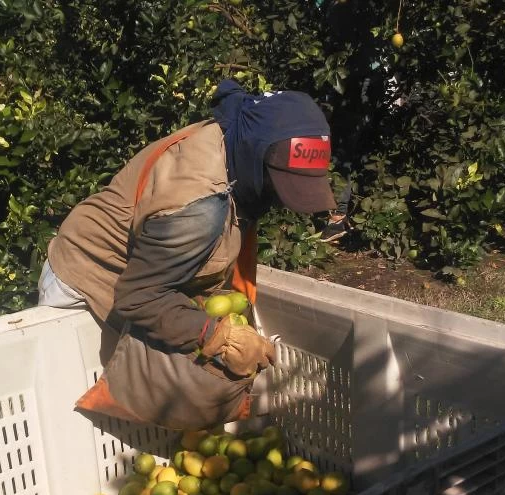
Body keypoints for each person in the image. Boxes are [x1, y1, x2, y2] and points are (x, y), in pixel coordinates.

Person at [39, 79, 339, 379]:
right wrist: (221, 338)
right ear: (254, 153)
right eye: (277, 183)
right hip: (85, 283)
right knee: (78, 397)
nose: (280, 199)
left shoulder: (232, 141)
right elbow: (139, 296)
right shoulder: (200, 208)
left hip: (143, 282)